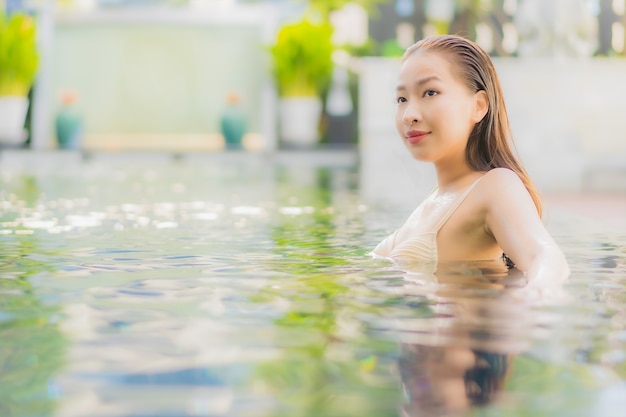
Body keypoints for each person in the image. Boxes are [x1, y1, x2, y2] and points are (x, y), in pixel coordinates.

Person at [372, 34, 570, 292]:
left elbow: (544, 257)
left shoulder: (495, 185)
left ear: (478, 106)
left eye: (430, 92)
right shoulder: (436, 200)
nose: (409, 115)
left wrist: (532, 307)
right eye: (402, 99)